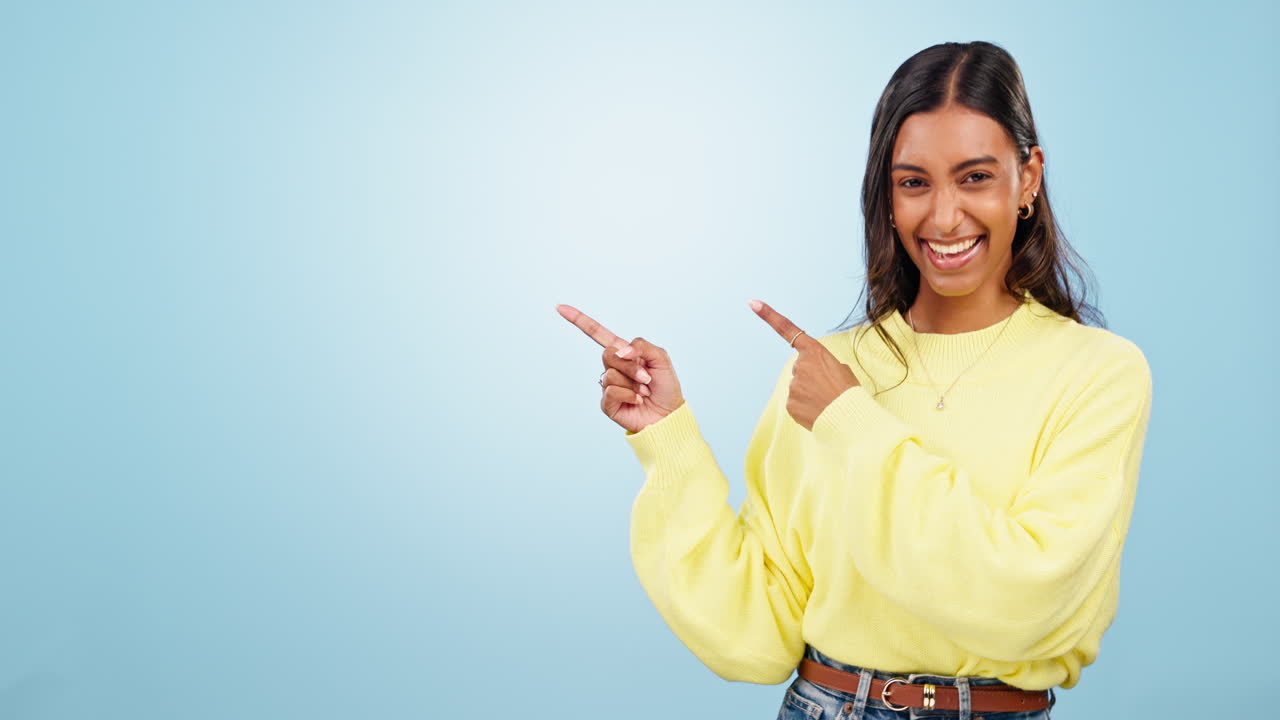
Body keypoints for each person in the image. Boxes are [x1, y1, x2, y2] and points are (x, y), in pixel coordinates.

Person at [556, 40, 1151, 720]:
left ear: (1029, 177)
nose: (945, 216)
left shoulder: (1099, 373)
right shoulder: (822, 372)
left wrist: (851, 423)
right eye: (914, 182)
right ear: (887, 196)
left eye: (976, 177)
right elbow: (755, 637)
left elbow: (1022, 602)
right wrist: (668, 440)